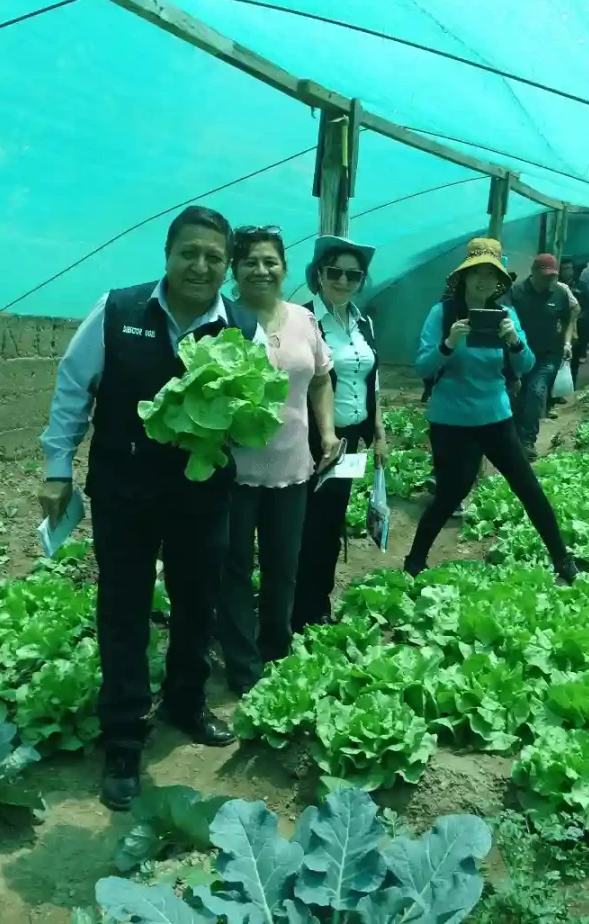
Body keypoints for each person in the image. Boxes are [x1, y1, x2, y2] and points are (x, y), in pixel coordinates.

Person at [38, 205, 263, 812]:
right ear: (167, 254)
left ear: (227, 266)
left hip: (203, 491)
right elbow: (71, 387)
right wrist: (58, 467)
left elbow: (256, 410)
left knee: (198, 604)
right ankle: (123, 735)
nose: (201, 265)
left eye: (214, 257)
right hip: (125, 487)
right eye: (189, 252)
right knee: (124, 608)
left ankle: (187, 703)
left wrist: (229, 423)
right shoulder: (117, 310)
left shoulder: (243, 327)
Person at [404, 238, 579, 581]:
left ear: (498, 280)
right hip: (450, 421)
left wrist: (514, 340)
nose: (483, 280)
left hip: (495, 417)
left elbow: (527, 364)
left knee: (528, 486)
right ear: (465, 277)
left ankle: (563, 560)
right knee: (451, 492)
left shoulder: (506, 314)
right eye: (476, 273)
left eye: (490, 274)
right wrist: (449, 343)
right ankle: (414, 562)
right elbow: (423, 366)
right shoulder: (442, 314)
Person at [219, 227, 339, 694]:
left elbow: (321, 379)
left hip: (292, 469)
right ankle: (241, 662)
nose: (261, 270)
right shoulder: (222, 320)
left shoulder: (304, 321)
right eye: (250, 261)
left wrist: (326, 431)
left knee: (282, 565)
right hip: (233, 472)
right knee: (233, 569)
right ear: (236, 269)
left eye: (270, 261)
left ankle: (276, 646)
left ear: (285, 269)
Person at [291, 236, 388, 633]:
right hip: (312, 441)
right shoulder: (303, 319)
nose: (343, 281)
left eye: (353, 274)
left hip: (350, 443)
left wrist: (380, 433)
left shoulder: (362, 322)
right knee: (305, 526)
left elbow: (374, 382)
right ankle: (295, 610)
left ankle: (319, 604)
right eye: (335, 272)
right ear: (319, 275)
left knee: (330, 524)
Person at [508, 253, 579, 459]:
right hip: (519, 353)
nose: (549, 279)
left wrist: (566, 342)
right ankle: (514, 439)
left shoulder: (559, 293)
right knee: (518, 395)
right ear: (533, 272)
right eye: (545, 275)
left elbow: (568, 320)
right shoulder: (516, 291)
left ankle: (528, 441)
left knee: (536, 391)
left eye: (552, 276)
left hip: (548, 355)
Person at [560, 258, 589, 393]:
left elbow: (587, 307)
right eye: (564, 268)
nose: (568, 271)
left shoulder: (580, 286)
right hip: (561, 327)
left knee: (574, 358)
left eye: (570, 268)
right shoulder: (556, 286)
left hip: (579, 327)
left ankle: (571, 387)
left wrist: (580, 320)